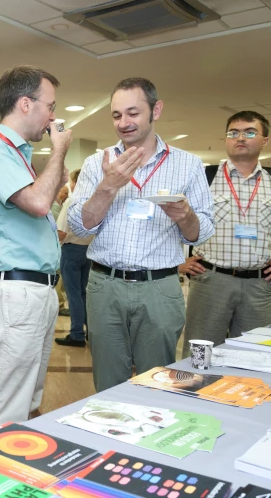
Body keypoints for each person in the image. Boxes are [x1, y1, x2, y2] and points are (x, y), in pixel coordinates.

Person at [68, 77, 214, 392]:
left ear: (155, 110)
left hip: (159, 288)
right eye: (117, 115)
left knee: (158, 383)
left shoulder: (188, 165)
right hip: (105, 287)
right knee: (108, 384)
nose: (124, 122)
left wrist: (186, 216)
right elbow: (80, 226)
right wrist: (108, 186)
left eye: (133, 113)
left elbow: (199, 233)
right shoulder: (97, 164)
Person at [0, 66, 73, 437]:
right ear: (25, 104)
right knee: (1, 409)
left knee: (25, 402)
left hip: (35, 290)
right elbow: (39, 203)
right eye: (50, 106)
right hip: (17, 289)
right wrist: (59, 151)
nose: (53, 117)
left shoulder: (18, 154)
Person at [181, 111, 271, 355]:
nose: (240, 137)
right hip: (211, 280)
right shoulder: (204, 177)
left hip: (259, 285)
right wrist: (177, 262)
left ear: (265, 139)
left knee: (255, 357)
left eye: (249, 132)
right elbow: (172, 220)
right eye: (233, 133)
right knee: (198, 358)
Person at [55, 169, 94, 347]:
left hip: (71, 251)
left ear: (76, 182)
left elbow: (61, 232)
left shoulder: (71, 201)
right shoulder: (94, 201)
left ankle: (77, 333)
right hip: (88, 251)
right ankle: (90, 332)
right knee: (84, 293)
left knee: (73, 294)